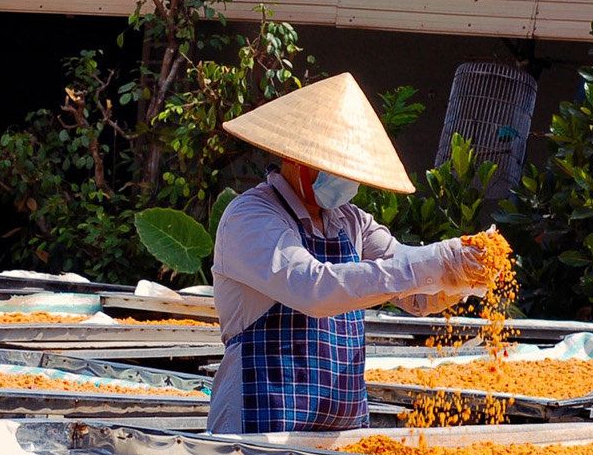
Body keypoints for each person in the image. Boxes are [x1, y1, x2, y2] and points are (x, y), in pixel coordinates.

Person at [209, 72, 488, 434]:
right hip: (262, 422)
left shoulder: (349, 221)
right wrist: (434, 262)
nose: (347, 180)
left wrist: (460, 274)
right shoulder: (252, 217)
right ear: (298, 161)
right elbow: (313, 288)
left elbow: (416, 293)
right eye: (335, 167)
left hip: (340, 430)